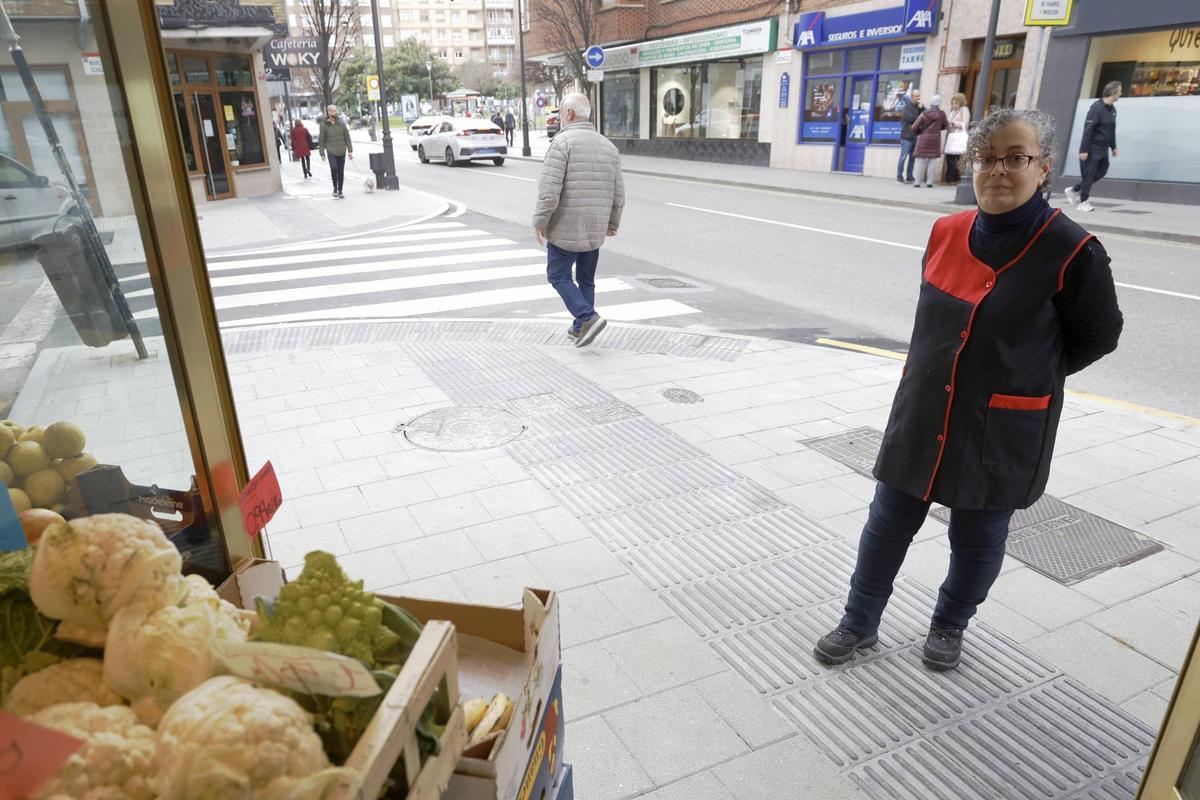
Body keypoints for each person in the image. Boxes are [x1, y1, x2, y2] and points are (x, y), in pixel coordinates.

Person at [813, 108, 1123, 673]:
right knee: (886, 524)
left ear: (1044, 168)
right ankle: (859, 621)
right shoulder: (945, 232)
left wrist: (1027, 375)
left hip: (1000, 425)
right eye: (987, 157)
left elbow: (1099, 336)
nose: (999, 170)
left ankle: (950, 623)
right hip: (923, 408)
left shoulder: (1073, 251)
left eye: (1016, 157)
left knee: (977, 537)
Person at [532, 93, 625, 349]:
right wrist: (613, 222)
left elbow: (549, 192)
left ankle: (587, 317)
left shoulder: (562, 143)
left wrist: (540, 222)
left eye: (561, 112)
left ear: (569, 114)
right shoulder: (609, 146)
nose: (561, 116)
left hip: (565, 227)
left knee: (558, 274)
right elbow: (619, 193)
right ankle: (579, 328)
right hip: (595, 228)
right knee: (586, 279)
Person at [1066, 81, 1121, 213]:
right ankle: (1083, 201)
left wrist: (1113, 147)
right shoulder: (1096, 108)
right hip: (1092, 148)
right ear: (1113, 92)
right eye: (1119, 91)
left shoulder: (1112, 109)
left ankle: (1074, 190)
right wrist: (1084, 150)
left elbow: (1112, 130)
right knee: (1089, 174)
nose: (1121, 93)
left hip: (1103, 149)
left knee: (1101, 172)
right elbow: (1088, 129)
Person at [911, 95, 949, 188]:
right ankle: (929, 182)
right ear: (939, 103)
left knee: (920, 161)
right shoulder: (941, 114)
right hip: (935, 140)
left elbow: (914, 127)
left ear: (931, 103)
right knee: (932, 161)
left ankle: (917, 182)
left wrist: (919, 132)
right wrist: (938, 128)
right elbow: (945, 125)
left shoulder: (924, 113)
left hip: (924, 139)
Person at [318, 104, 353, 199]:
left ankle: (340, 190)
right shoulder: (324, 125)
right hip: (331, 151)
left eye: (335, 111)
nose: (335, 112)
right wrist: (322, 153)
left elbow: (347, 137)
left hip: (341, 150)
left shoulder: (341, 123)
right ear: (328, 112)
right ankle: (335, 188)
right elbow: (321, 140)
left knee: (341, 171)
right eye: (332, 111)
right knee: (334, 169)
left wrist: (350, 150)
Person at [897, 89, 923, 183]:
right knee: (903, 157)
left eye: (919, 96)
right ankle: (899, 177)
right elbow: (911, 118)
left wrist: (922, 107)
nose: (918, 98)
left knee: (912, 158)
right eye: (917, 96)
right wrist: (920, 117)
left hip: (914, 136)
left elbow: (926, 113)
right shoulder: (907, 107)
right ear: (912, 97)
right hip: (906, 137)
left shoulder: (917, 107)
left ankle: (909, 176)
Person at [943, 93, 970, 184]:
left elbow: (965, 124)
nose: (954, 105)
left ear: (961, 102)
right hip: (952, 136)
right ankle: (949, 178)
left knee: (955, 158)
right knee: (949, 157)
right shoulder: (953, 111)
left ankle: (952, 179)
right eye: (953, 103)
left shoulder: (964, 110)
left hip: (958, 137)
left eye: (956, 103)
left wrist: (953, 123)